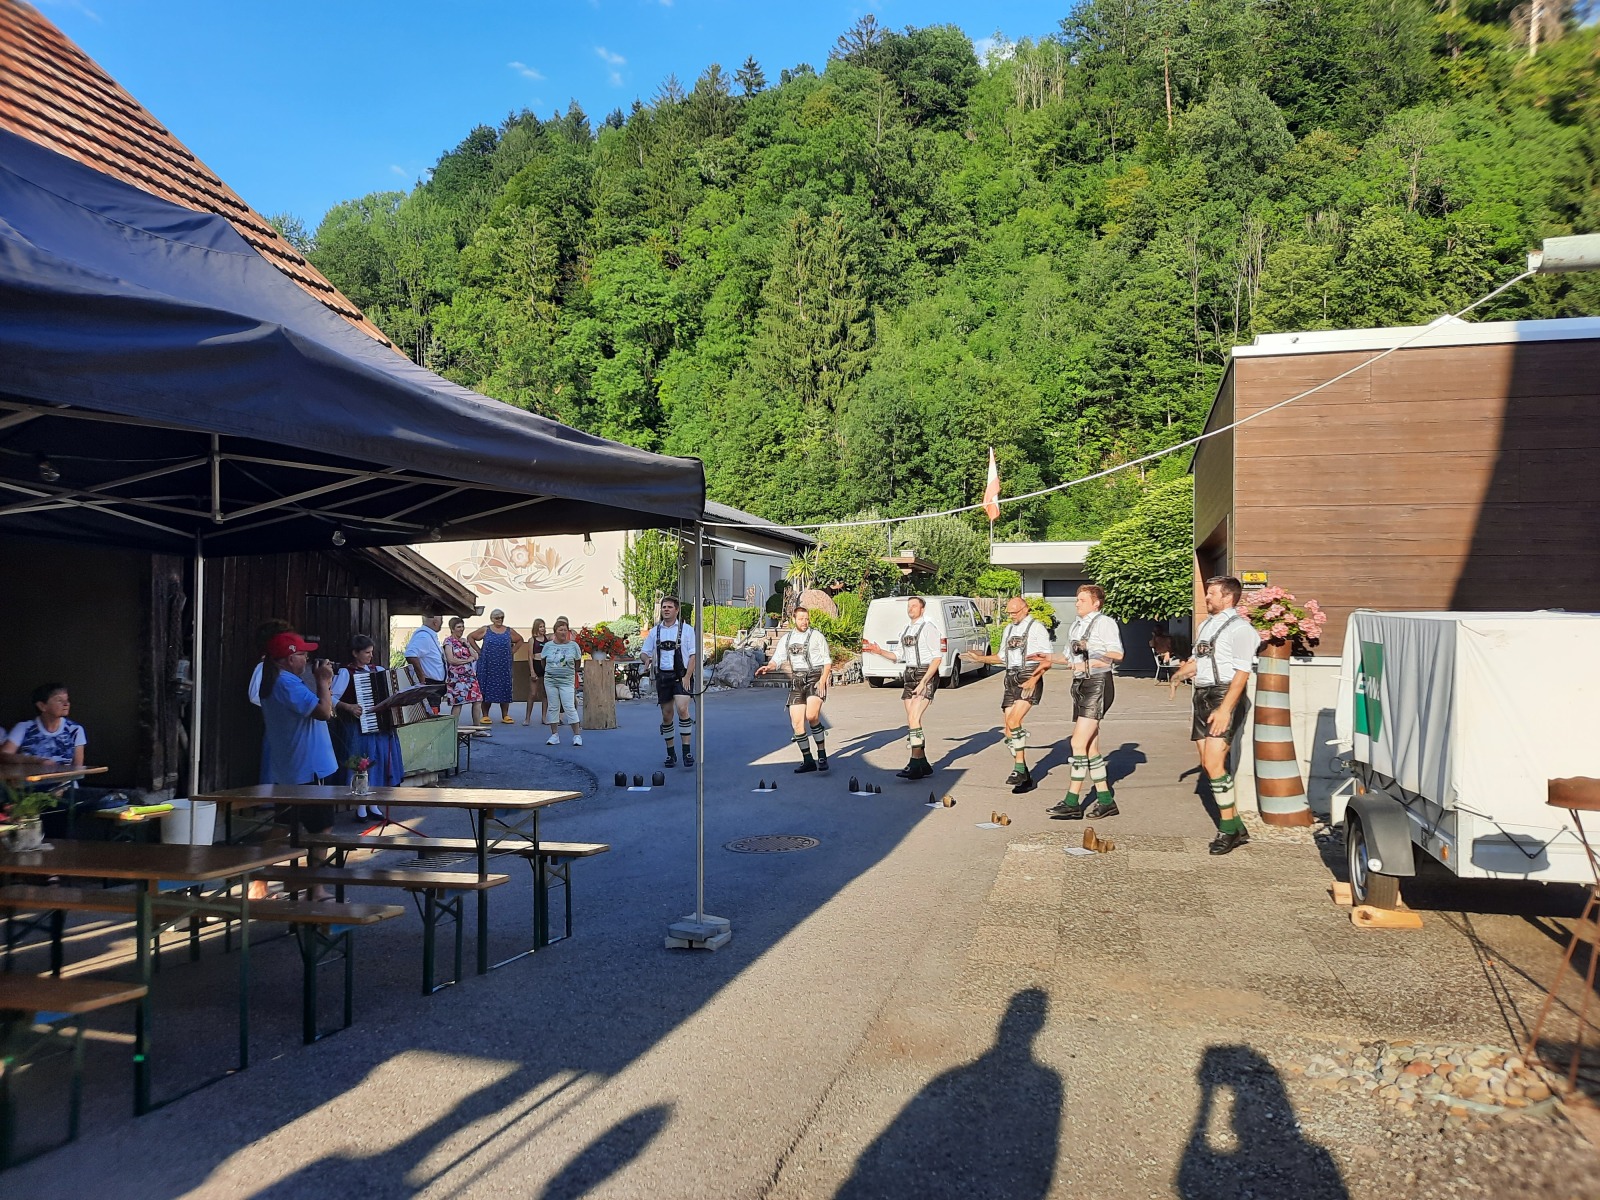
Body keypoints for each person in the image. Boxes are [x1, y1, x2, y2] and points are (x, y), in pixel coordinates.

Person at [1169, 576, 1260, 855]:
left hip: (1224, 695)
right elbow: (1200, 661)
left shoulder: (1241, 629)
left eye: (1211, 594)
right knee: (1207, 763)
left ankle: (1227, 830)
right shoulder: (1206, 625)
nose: (1206, 598)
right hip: (1202, 694)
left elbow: (1242, 674)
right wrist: (1179, 674)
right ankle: (1237, 826)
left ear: (1228, 597)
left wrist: (1225, 709)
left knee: (1213, 762)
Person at [258, 630, 338, 896]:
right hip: (310, 769)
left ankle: (259, 881)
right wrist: (323, 681)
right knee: (321, 828)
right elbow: (324, 712)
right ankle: (316, 889)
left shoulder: (276, 681)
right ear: (289, 659)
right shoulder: (287, 684)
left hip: (291, 769)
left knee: (282, 826)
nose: (307, 659)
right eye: (302, 654)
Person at [1045, 585, 1126, 820]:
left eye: (1082, 600)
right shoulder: (1076, 626)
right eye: (1077, 599)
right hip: (1080, 685)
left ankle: (1072, 801)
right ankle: (1106, 801)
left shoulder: (1105, 623)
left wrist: (1090, 654)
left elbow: (1117, 654)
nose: (1077, 603)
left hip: (1098, 684)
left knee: (1077, 742)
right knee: (1090, 747)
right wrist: (1045, 657)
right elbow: (1068, 657)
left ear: (1096, 603)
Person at [963, 597, 1052, 794]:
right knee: (1009, 730)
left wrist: (1034, 679)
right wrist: (980, 658)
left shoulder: (1036, 629)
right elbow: (1001, 657)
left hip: (1029, 673)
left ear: (1025, 609)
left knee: (1014, 720)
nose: (1011, 616)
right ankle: (1025, 775)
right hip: (1010, 676)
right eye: (1009, 613)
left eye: (1015, 612)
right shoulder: (1009, 629)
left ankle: (1018, 769)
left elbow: (1047, 660)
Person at [862, 596, 942, 780]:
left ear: (922, 609)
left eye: (914, 606)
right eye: (909, 606)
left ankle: (914, 763)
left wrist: (924, 682)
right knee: (913, 720)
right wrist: (879, 651)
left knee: (914, 718)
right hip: (909, 673)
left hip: (925, 673)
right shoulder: (906, 629)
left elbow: (937, 658)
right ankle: (923, 764)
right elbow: (898, 655)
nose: (910, 609)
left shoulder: (929, 628)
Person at [332, 634, 405, 821]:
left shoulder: (378, 670)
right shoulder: (346, 673)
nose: (371, 656)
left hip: (379, 726)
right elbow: (331, 697)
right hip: (357, 728)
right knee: (361, 765)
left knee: (378, 763)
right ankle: (360, 806)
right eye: (367, 652)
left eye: (371, 652)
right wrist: (348, 707)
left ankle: (374, 804)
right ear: (355, 653)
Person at [755, 606, 833, 773]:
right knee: (797, 723)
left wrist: (823, 680)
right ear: (794, 619)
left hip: (815, 677)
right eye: (801, 619)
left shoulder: (817, 636)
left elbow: (827, 661)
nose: (805, 622)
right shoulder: (787, 638)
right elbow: (777, 659)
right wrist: (768, 667)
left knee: (812, 716)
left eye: (806, 618)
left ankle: (822, 754)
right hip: (797, 679)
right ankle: (808, 760)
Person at [640, 597, 698, 768]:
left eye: (670, 607)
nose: (666, 609)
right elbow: (644, 652)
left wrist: (687, 676)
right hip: (663, 677)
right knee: (667, 715)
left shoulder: (686, 630)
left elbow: (693, 655)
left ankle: (686, 752)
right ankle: (671, 754)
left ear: (677, 610)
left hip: (682, 676)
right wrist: (646, 659)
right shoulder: (655, 631)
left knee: (682, 708)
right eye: (664, 607)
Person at [2, 683, 86, 767]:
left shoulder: (75, 730)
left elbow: (77, 768)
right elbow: (4, 756)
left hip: (65, 776)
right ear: (42, 706)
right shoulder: (23, 728)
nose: (66, 704)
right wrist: (36, 760)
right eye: (59, 700)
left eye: (67, 699)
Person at [469, 609, 524, 725]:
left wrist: (512, 651)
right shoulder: (485, 629)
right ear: (492, 619)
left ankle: (505, 715)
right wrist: (479, 651)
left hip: (503, 665)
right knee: (486, 687)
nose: (500, 620)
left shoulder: (508, 631)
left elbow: (520, 640)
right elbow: (470, 637)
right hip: (487, 664)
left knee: (505, 687)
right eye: (497, 618)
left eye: (501, 617)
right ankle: (485, 715)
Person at [539, 618, 584, 746]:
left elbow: (577, 662)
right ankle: (554, 735)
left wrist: (570, 672)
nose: (563, 632)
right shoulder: (548, 646)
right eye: (561, 630)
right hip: (551, 680)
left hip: (567, 681)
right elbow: (543, 662)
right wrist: (551, 671)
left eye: (565, 630)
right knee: (553, 707)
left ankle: (577, 735)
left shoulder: (573, 646)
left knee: (569, 706)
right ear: (555, 632)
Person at [441, 617, 482, 723]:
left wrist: (468, 646)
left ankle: (477, 726)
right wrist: (467, 660)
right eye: (459, 627)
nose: (461, 629)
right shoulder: (448, 642)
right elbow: (451, 660)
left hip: (470, 677)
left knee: (477, 700)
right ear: (452, 629)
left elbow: (476, 656)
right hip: (456, 678)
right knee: (457, 703)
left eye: (463, 626)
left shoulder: (464, 641)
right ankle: (452, 728)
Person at [403, 614, 446, 711]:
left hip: (434, 686)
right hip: (429, 685)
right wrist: (422, 678)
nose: (442, 623)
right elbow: (410, 654)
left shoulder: (428, 636)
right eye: (441, 620)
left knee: (434, 713)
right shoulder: (424, 636)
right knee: (431, 715)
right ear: (435, 622)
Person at [522, 618, 551, 726]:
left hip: (545, 666)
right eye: (540, 627)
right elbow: (530, 656)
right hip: (536, 664)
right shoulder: (532, 640)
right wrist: (532, 671)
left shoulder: (547, 639)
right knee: (533, 693)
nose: (542, 629)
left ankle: (544, 717)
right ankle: (527, 718)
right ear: (536, 628)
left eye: (543, 626)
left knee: (545, 693)